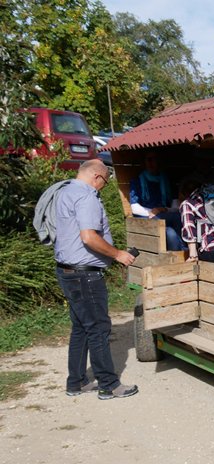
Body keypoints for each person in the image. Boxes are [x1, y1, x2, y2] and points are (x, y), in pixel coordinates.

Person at [54, 159, 138, 400]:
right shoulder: (87, 197)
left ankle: (77, 382)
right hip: (84, 275)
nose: (104, 186)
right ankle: (109, 385)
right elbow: (89, 237)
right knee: (98, 328)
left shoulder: (65, 191)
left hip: (67, 271)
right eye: (106, 181)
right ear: (97, 177)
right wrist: (118, 254)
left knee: (81, 327)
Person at [129, 150, 184, 251]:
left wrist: (162, 209)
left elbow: (176, 207)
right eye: (149, 159)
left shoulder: (167, 180)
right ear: (144, 162)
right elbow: (135, 208)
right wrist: (152, 211)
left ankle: (186, 253)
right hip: (146, 217)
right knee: (170, 233)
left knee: (179, 217)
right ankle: (180, 254)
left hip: (163, 214)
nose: (152, 163)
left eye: (155, 159)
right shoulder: (137, 181)